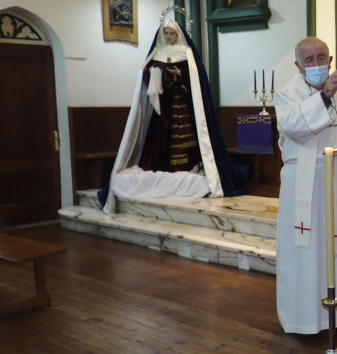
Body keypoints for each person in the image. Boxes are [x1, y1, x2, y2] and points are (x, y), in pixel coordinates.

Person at [274, 37, 337, 336]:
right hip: (303, 182)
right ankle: (305, 320)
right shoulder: (287, 94)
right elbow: (294, 126)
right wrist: (324, 97)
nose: (317, 64)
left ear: (330, 60)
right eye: (309, 59)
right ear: (297, 65)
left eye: (322, 57)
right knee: (306, 251)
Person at [104, 18, 246, 214]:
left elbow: (196, 80)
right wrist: (155, 72)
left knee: (184, 137)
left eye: (172, 33)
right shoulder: (157, 53)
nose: (169, 37)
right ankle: (157, 162)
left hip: (181, 103)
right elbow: (145, 73)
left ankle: (187, 163)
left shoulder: (186, 53)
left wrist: (179, 74)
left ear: (179, 35)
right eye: (166, 33)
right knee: (160, 134)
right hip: (162, 106)